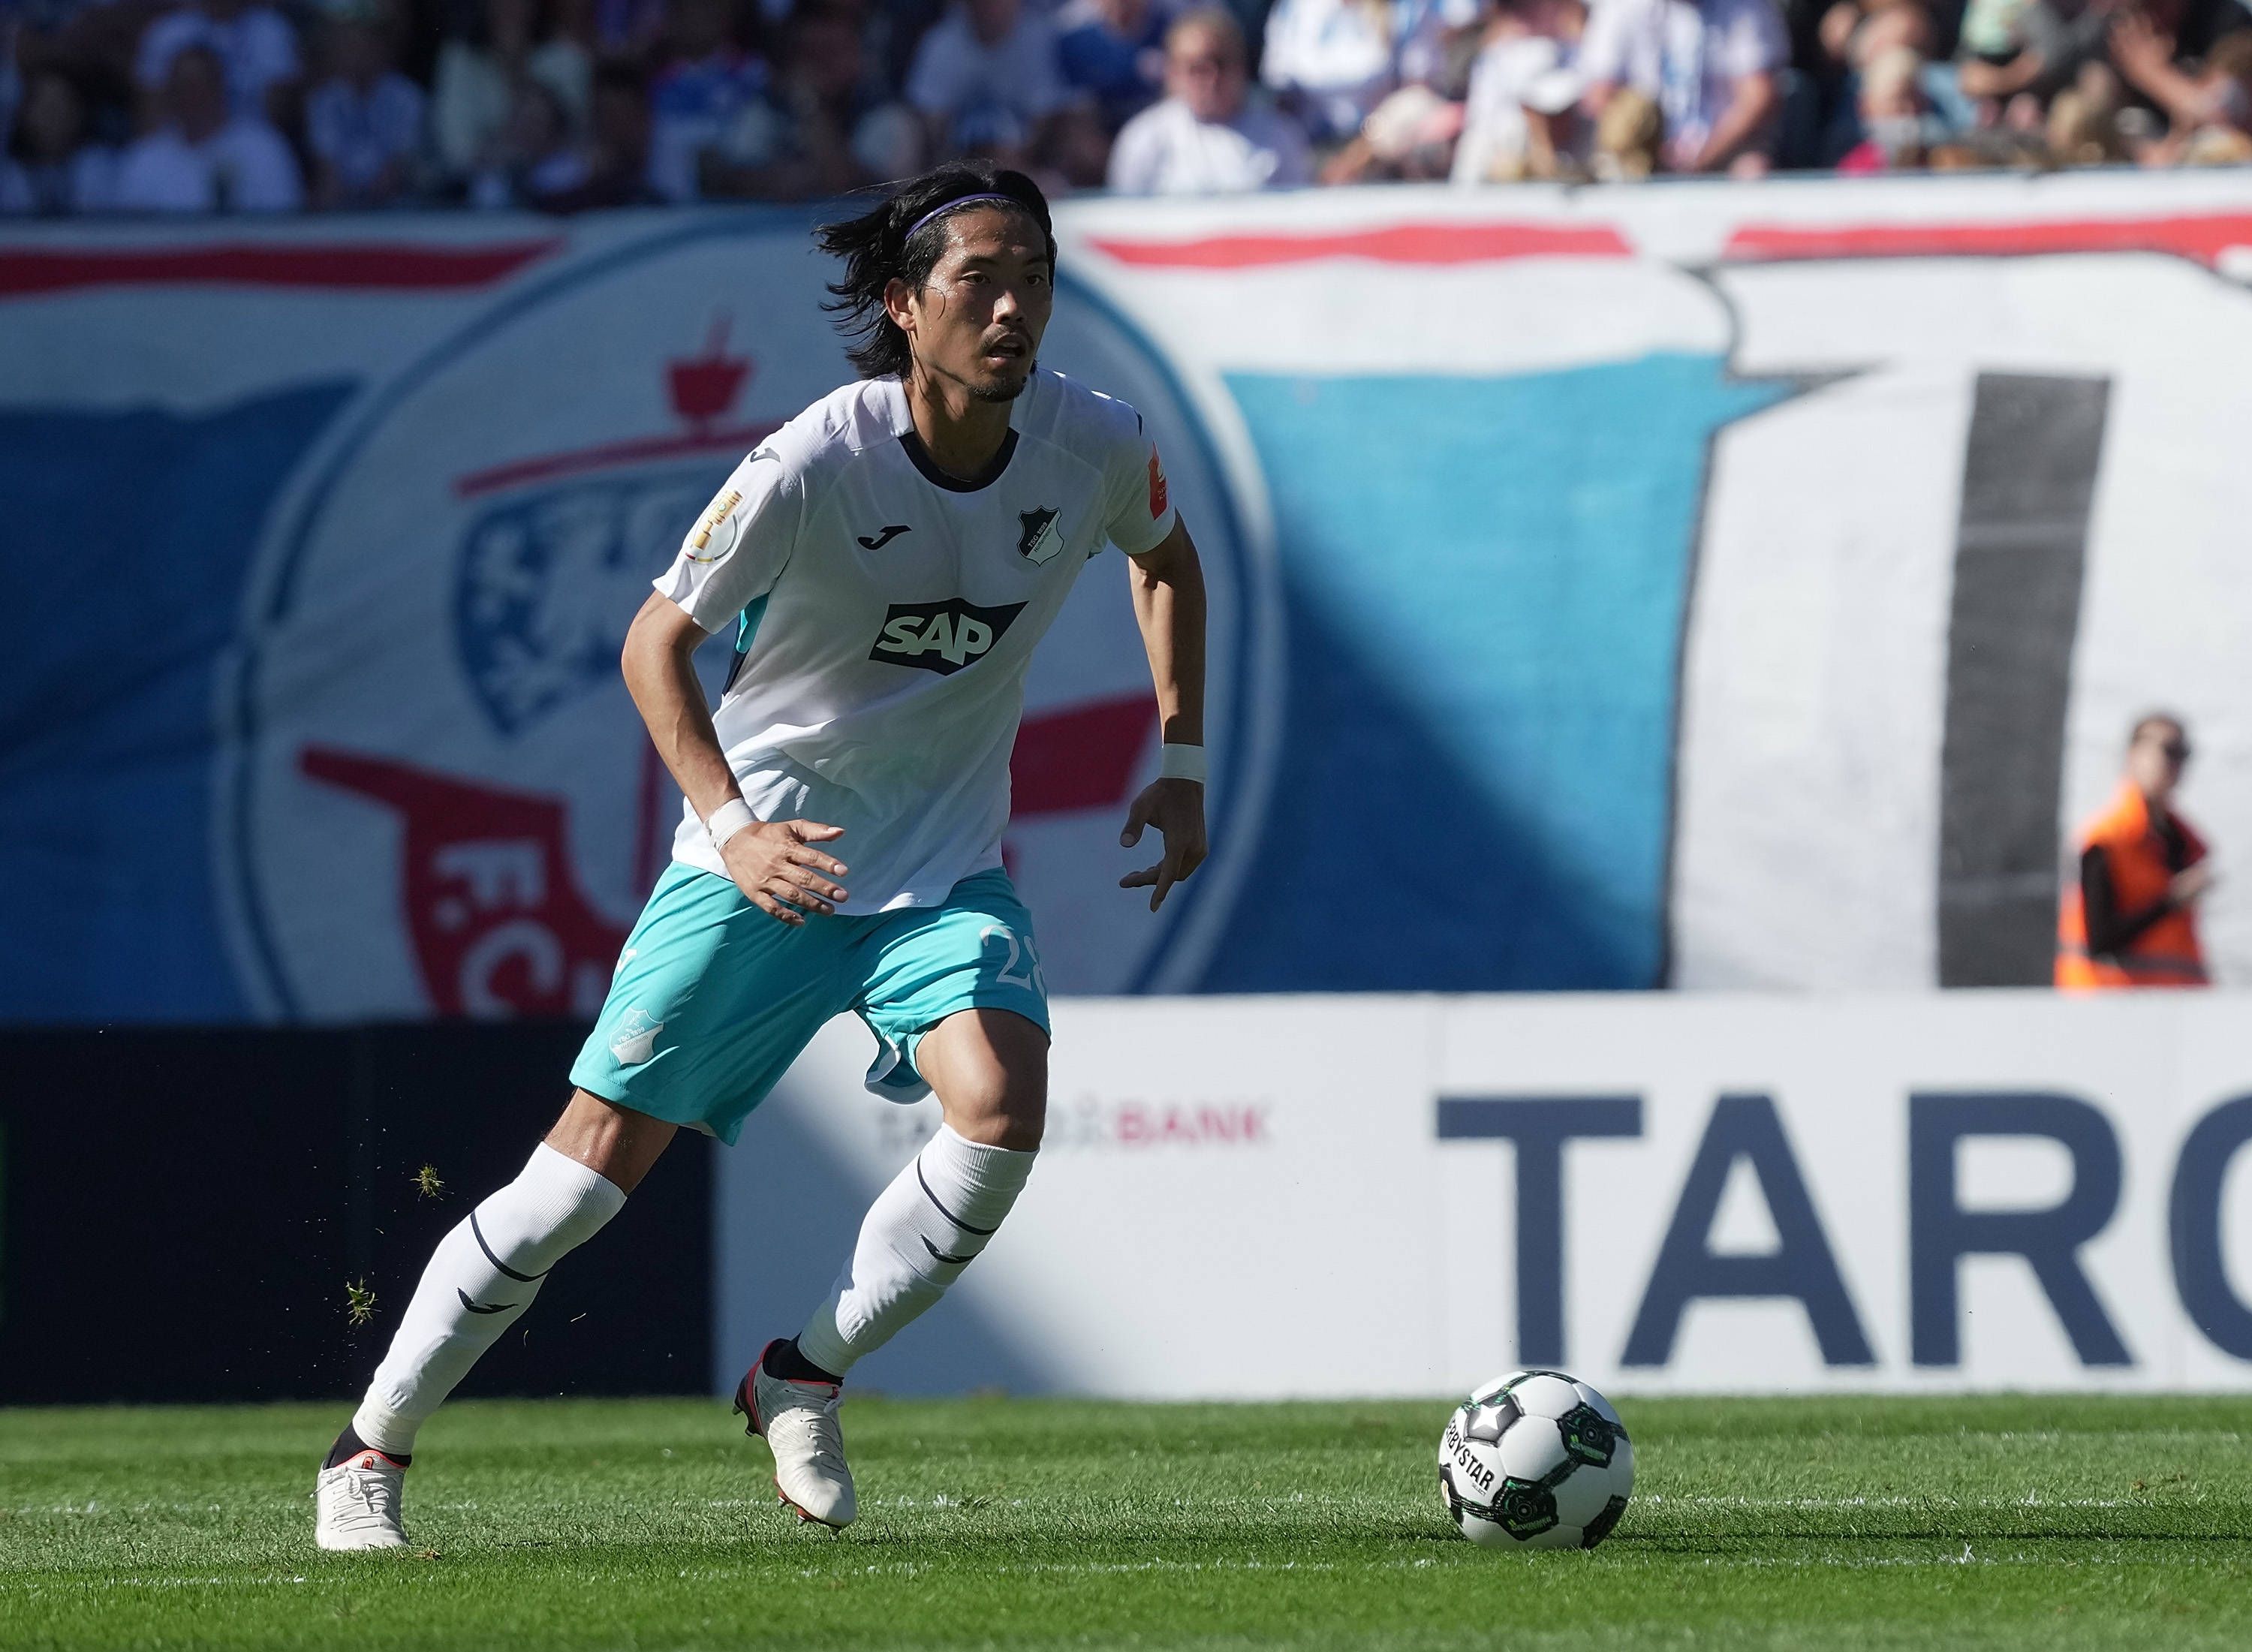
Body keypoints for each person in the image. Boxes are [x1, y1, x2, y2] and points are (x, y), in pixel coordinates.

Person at [314, 159, 1210, 1551]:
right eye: (979, 281)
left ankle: (803, 1373)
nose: (1012, 308)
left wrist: (1184, 762)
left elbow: (1166, 559)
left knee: (1002, 1103)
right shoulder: (814, 460)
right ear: (905, 306)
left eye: (1033, 278)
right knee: (576, 1186)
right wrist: (733, 832)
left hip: (939, 868)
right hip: (768, 858)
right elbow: (652, 644)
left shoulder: (1092, 441)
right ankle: (368, 1448)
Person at [2056, 713, 2215, 990]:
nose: (2175, 763)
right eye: (2167, 750)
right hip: (2110, 1001)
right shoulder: (2107, 839)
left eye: (2183, 753)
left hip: (2172, 1001)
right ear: (2133, 754)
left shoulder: (2181, 843)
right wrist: (2171, 902)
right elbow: (2101, 940)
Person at [1108, 8, 1313, 190]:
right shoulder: (1143, 138)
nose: (1211, 78)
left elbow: (1296, 211)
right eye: (1196, 68)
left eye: (1220, 63)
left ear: (1241, 66)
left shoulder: (1280, 137)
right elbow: (1126, 213)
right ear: (1172, 73)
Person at [1577, 0, 1787, 173]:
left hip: (1725, 151)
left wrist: (1703, 157)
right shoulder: (1620, 7)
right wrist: (1643, 138)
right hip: (1642, 154)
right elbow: (1598, 95)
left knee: (1754, 168)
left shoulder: (1746, 7)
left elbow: (1758, 97)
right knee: (1611, 166)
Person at [115, 42, 303, 211]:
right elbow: (126, 231)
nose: (190, 96)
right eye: (181, 86)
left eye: (198, 85)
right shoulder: (144, 158)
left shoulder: (264, 148)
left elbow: (285, 225)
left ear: (220, 88)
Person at [305, 6, 428, 209]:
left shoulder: (407, 97)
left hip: (398, 207)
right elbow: (327, 171)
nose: (357, 52)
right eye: (349, 44)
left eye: (364, 43)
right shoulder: (324, 100)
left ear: (382, 47)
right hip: (343, 206)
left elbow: (399, 167)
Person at [0, 68, 119, 215]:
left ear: (79, 113)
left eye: (61, 107)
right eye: (46, 108)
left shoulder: (99, 165)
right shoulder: (8, 176)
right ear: (25, 115)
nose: (53, 118)